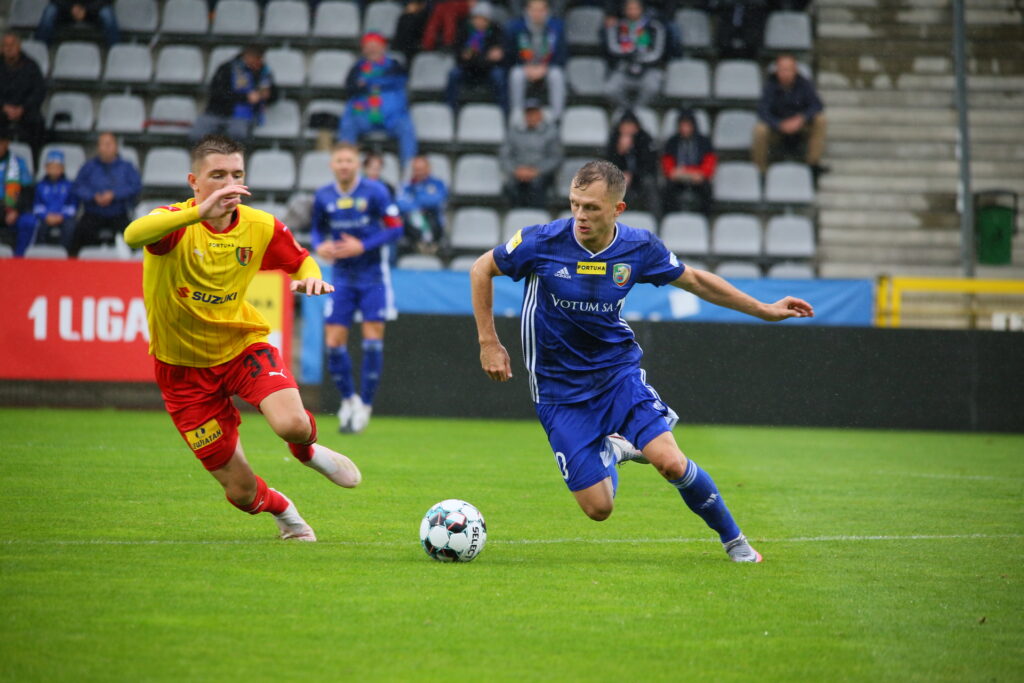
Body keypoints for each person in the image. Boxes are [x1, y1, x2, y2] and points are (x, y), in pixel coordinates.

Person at [470, 160, 815, 562]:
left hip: (617, 375)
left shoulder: (639, 247)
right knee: (599, 509)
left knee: (669, 462)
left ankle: (735, 542)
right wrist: (488, 342)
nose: (580, 215)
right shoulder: (540, 241)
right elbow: (481, 269)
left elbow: (696, 281)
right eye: (575, 204)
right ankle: (615, 450)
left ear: (618, 210)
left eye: (592, 208)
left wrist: (765, 309)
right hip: (558, 390)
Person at [122, 135, 360, 542]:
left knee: (292, 424)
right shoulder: (176, 225)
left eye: (237, 175)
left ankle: (308, 452)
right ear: (194, 181)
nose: (230, 185)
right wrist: (197, 212)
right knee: (241, 492)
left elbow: (301, 261)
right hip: (182, 374)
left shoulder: (259, 225)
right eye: (218, 176)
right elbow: (132, 235)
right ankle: (284, 511)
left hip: (241, 347)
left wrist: (311, 280)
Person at [311, 143, 404, 434]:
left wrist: (362, 245)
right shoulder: (323, 196)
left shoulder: (375, 192)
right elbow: (317, 229)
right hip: (340, 276)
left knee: (372, 338)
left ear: (357, 165)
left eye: (349, 160)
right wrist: (319, 245)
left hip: (373, 275)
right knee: (334, 341)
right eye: (339, 160)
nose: (344, 165)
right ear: (332, 165)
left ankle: (366, 404)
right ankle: (349, 399)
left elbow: (395, 227)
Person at [337, 33, 418, 168]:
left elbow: (400, 80)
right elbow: (350, 88)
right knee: (348, 124)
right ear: (363, 50)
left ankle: (409, 170)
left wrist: (369, 83)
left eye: (376, 46)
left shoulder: (394, 66)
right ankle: (345, 166)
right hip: (364, 115)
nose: (372, 50)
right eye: (369, 47)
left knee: (406, 128)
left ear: (383, 48)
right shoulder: (357, 68)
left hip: (392, 117)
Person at [752, 54, 827, 175]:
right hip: (777, 129)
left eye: (789, 69)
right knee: (760, 129)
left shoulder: (805, 84)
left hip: (800, 127)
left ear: (795, 70)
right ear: (777, 70)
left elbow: (817, 105)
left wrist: (801, 119)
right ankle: (760, 171)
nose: (785, 73)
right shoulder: (769, 86)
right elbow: (762, 111)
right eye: (782, 69)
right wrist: (779, 124)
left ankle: (812, 165)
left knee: (820, 119)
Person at [70, 132, 141, 257]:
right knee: (77, 234)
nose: (105, 148)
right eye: (102, 144)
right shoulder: (89, 167)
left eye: (108, 144)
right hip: (93, 213)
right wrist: (93, 196)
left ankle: (134, 267)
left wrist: (114, 195)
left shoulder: (126, 167)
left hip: (118, 213)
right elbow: (78, 186)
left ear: (116, 147)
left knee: (133, 237)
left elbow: (135, 186)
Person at [189, 46, 277, 144]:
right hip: (217, 112)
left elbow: (273, 95)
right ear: (247, 57)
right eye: (255, 58)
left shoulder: (264, 72)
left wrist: (267, 95)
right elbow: (217, 93)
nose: (258, 62)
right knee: (196, 134)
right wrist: (245, 97)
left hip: (244, 115)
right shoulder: (227, 68)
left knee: (237, 135)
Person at [505, 0, 568, 123]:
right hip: (524, 66)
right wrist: (525, 66)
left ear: (547, 12)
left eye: (541, 10)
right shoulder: (516, 28)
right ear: (527, 11)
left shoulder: (556, 28)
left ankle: (557, 117)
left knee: (557, 75)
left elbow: (562, 56)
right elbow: (510, 55)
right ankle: (516, 115)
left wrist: (545, 67)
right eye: (534, 10)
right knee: (516, 75)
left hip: (547, 66)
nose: (537, 13)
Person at [602, 0, 667, 113]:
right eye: (629, 8)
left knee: (653, 87)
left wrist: (637, 58)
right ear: (624, 10)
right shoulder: (617, 25)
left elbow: (657, 53)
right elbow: (612, 49)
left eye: (635, 8)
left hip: (648, 69)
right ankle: (626, 110)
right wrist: (631, 53)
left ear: (642, 9)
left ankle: (637, 111)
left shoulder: (654, 27)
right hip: (623, 68)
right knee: (609, 89)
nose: (632, 11)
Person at [445, 2, 508, 115]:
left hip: (488, 69)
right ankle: (451, 111)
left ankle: (503, 112)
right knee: (453, 74)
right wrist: (480, 58)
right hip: (468, 69)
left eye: (483, 19)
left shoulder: (496, 31)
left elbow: (499, 56)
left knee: (499, 75)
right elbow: (458, 54)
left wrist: (474, 57)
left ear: (488, 20)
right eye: (476, 18)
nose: (479, 22)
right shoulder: (464, 30)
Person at [499, 99, 561, 208]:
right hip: (518, 174)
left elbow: (555, 158)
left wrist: (537, 171)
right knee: (511, 188)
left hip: (540, 174)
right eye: (528, 113)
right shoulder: (514, 132)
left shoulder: (551, 133)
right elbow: (504, 156)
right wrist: (515, 170)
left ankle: (536, 219)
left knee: (537, 188)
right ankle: (516, 218)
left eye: (534, 113)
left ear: (540, 114)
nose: (531, 116)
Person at [0, 32, 47, 164]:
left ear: (19, 46)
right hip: (2, 109)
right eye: (5, 45)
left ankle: (35, 163)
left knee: (37, 122)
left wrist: (23, 108)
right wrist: (4, 107)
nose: (9, 48)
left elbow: (39, 91)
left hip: (26, 110)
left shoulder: (31, 66)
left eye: (12, 45)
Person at [606, 109, 661, 218]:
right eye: (624, 126)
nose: (627, 129)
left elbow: (650, 165)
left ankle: (656, 219)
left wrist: (633, 174)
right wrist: (620, 152)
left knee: (649, 184)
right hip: (620, 178)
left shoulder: (645, 139)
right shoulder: (614, 139)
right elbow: (608, 165)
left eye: (630, 126)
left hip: (641, 178)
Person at [661, 108, 716, 215]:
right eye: (682, 126)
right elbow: (668, 165)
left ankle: (704, 218)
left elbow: (709, 163)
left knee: (707, 189)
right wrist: (678, 173)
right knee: (667, 189)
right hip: (677, 178)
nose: (685, 129)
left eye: (687, 125)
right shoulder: (672, 142)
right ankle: (670, 217)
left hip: (698, 178)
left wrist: (697, 174)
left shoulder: (704, 142)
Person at [29, 149, 78, 254]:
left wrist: (62, 216)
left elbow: (73, 206)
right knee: (37, 226)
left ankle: (64, 253)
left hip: (63, 217)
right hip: (45, 217)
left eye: (58, 167)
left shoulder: (69, 186)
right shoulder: (40, 186)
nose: (54, 170)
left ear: (63, 168)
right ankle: (40, 254)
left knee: (71, 226)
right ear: (46, 168)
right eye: (51, 167)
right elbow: (37, 205)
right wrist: (46, 216)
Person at [396, 154, 449, 251]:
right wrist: (420, 205)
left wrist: (416, 197)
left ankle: (428, 241)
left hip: (434, 222)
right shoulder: (406, 186)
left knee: (428, 214)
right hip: (411, 226)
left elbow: (436, 201)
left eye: (421, 169)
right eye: (416, 169)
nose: (419, 172)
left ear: (428, 169)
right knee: (412, 215)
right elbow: (400, 204)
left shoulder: (438, 183)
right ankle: (423, 241)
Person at [0, 127, 35, 256]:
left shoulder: (18, 163)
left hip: (11, 206)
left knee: (28, 222)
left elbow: (27, 192)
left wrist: (16, 210)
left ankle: (19, 259)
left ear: (6, 143)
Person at [35, 0, 120, 46]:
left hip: (94, 10)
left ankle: (116, 52)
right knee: (49, 12)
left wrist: (86, 10)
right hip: (67, 10)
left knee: (107, 15)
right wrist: (71, 8)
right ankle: (40, 50)